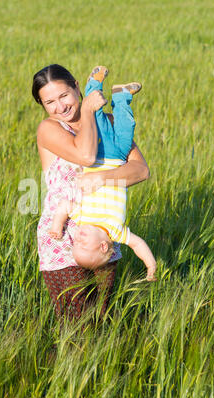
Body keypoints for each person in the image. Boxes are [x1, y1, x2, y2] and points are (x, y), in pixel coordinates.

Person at [32, 64, 150, 320]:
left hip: (103, 238)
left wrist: (103, 177)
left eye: (64, 95)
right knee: (76, 321)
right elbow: (85, 156)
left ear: (76, 86)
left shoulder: (108, 122)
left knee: (101, 314)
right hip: (61, 238)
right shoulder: (49, 130)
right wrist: (86, 109)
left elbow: (140, 170)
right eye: (49, 102)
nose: (60, 107)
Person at [48, 67, 157, 281]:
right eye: (83, 243)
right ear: (103, 245)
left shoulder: (82, 219)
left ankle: (94, 85)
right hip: (119, 156)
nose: (77, 238)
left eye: (75, 243)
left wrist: (57, 225)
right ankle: (122, 96)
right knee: (127, 126)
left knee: (98, 120)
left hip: (100, 155)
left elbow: (64, 206)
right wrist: (150, 265)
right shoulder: (116, 232)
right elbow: (137, 244)